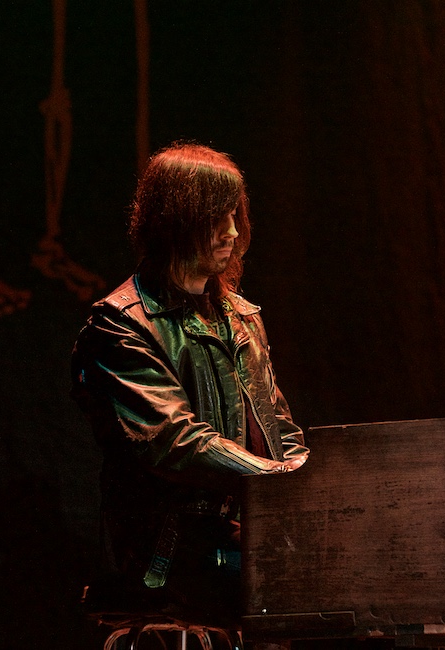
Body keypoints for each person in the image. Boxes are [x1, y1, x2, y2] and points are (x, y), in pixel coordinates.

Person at [71, 142, 308, 623]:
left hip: (247, 540)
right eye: (217, 218)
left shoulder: (243, 319)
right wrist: (283, 482)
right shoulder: (121, 325)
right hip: (167, 558)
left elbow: (279, 428)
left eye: (235, 215)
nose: (233, 232)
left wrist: (310, 489)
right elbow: (175, 442)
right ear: (177, 220)